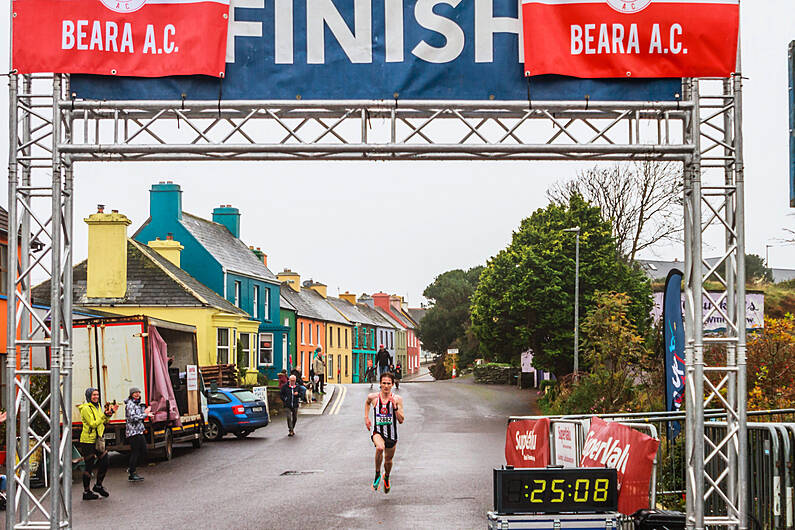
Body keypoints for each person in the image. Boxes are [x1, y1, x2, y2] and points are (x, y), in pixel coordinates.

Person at [364, 373, 404, 494]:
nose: (386, 386)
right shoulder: (373, 397)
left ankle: (386, 476)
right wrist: (366, 417)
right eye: (383, 383)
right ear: (380, 384)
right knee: (380, 448)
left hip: (391, 434)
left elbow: (401, 420)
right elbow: (367, 403)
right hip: (377, 432)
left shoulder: (397, 399)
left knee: (388, 461)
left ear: (392, 384)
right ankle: (377, 474)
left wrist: (395, 407)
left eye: (388, 383)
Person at [78, 388, 118, 500]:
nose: (96, 396)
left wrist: (108, 415)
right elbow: (93, 423)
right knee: (89, 466)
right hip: (87, 441)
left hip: (98, 439)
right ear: (88, 396)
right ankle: (86, 492)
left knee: (105, 461)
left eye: (97, 394)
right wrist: (103, 415)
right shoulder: (85, 408)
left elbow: (103, 421)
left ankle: (98, 485)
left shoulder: (98, 406)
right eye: (94, 395)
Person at [125, 387, 153, 482]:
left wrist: (145, 411)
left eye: (138, 392)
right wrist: (145, 415)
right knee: (135, 452)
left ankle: (132, 469)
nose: (137, 394)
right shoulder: (130, 404)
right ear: (131, 394)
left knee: (143, 451)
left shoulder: (136, 404)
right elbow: (132, 418)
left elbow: (139, 415)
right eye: (135, 393)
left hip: (139, 431)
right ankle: (132, 472)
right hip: (133, 432)